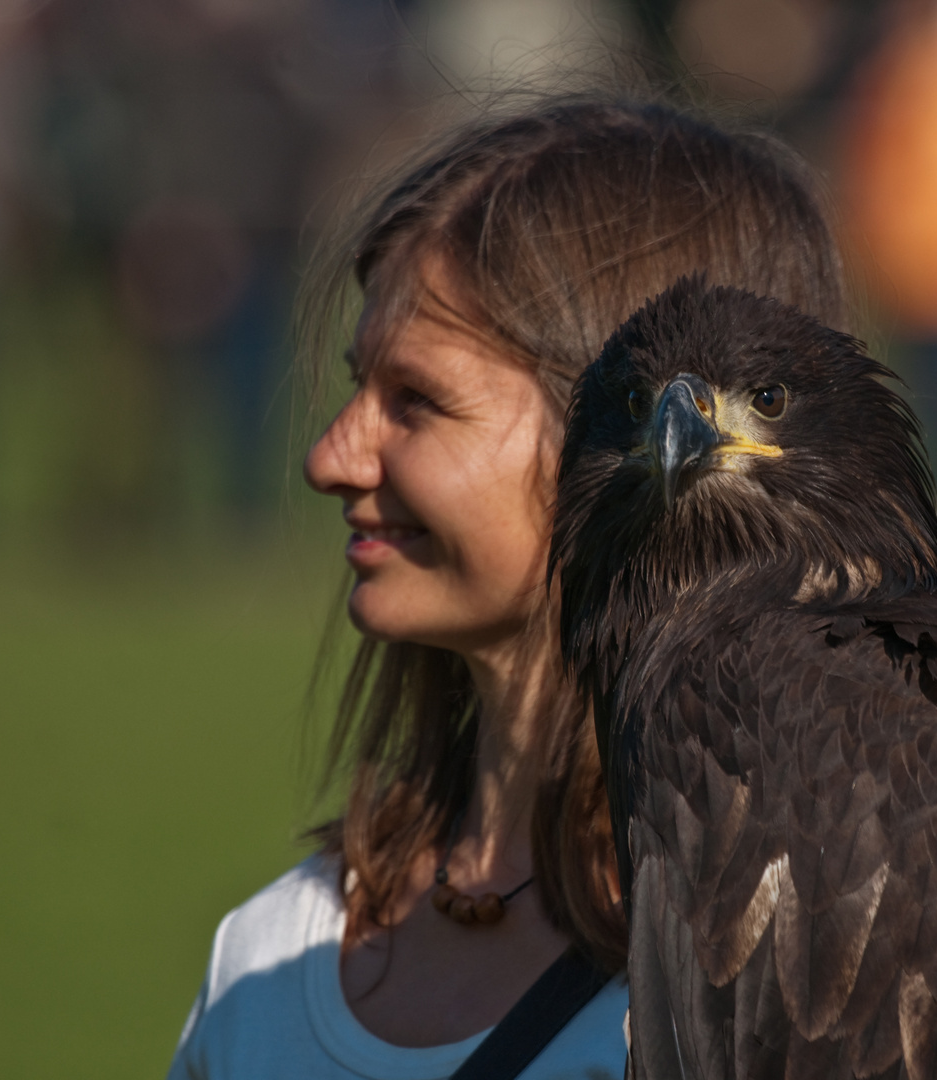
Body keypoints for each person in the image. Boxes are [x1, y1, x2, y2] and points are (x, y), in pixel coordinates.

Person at [165, 98, 846, 1079]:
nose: (330, 458)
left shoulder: (807, 995)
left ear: (640, 443)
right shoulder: (267, 959)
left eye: (417, 402)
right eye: (356, 391)